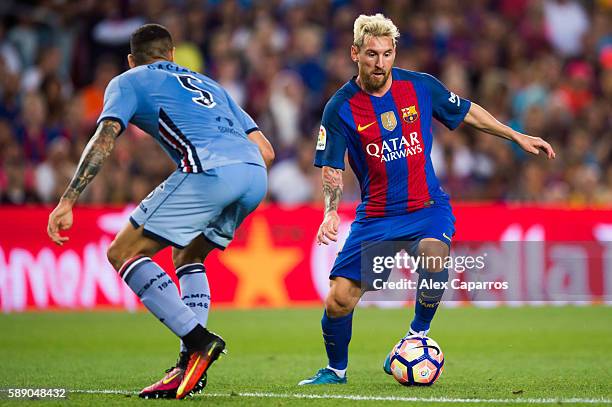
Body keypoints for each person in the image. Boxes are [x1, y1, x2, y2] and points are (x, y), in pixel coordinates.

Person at [299, 14, 555, 385]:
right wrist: (330, 212)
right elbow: (332, 168)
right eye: (371, 54)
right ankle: (336, 370)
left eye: (387, 54)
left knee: (435, 255)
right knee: (339, 299)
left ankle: (415, 335)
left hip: (427, 207)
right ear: (355, 53)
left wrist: (515, 136)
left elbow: (468, 111)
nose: (380, 62)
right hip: (378, 219)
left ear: (394, 52)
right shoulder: (340, 108)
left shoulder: (420, 87)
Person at [46, 24, 274, 399]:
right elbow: (266, 149)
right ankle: (190, 365)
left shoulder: (128, 80)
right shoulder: (209, 84)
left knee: (123, 252)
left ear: (132, 59)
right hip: (254, 176)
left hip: (210, 171)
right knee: (187, 255)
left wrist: (69, 199)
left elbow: (105, 138)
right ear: (171, 55)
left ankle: (199, 341)